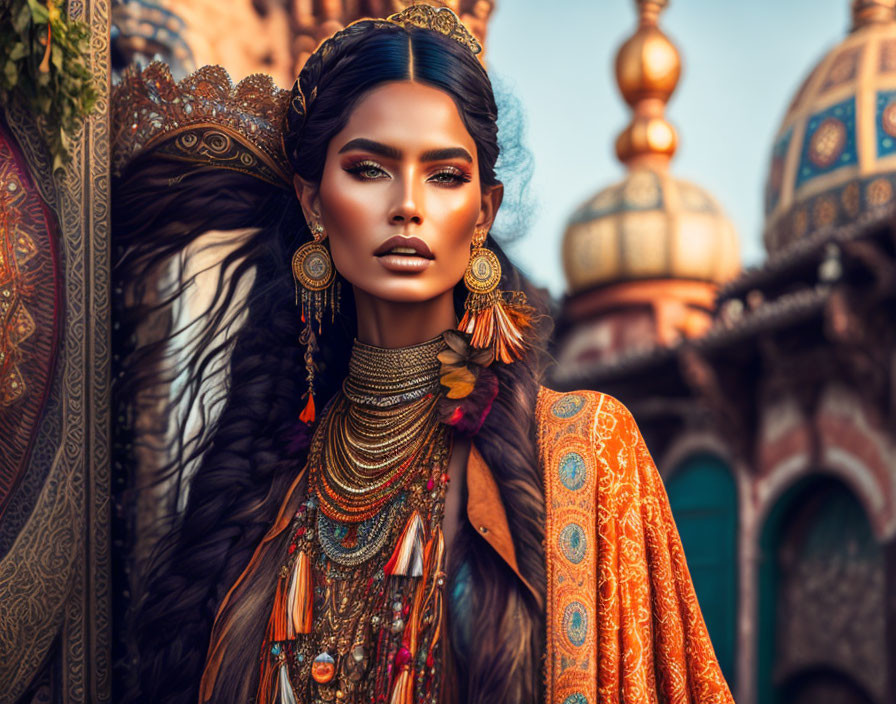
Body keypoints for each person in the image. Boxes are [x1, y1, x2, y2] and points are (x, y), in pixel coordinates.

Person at [111, 5, 734, 704]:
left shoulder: (586, 455)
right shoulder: (259, 492)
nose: (408, 205)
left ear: (483, 213)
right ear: (315, 203)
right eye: (370, 168)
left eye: (443, 175)